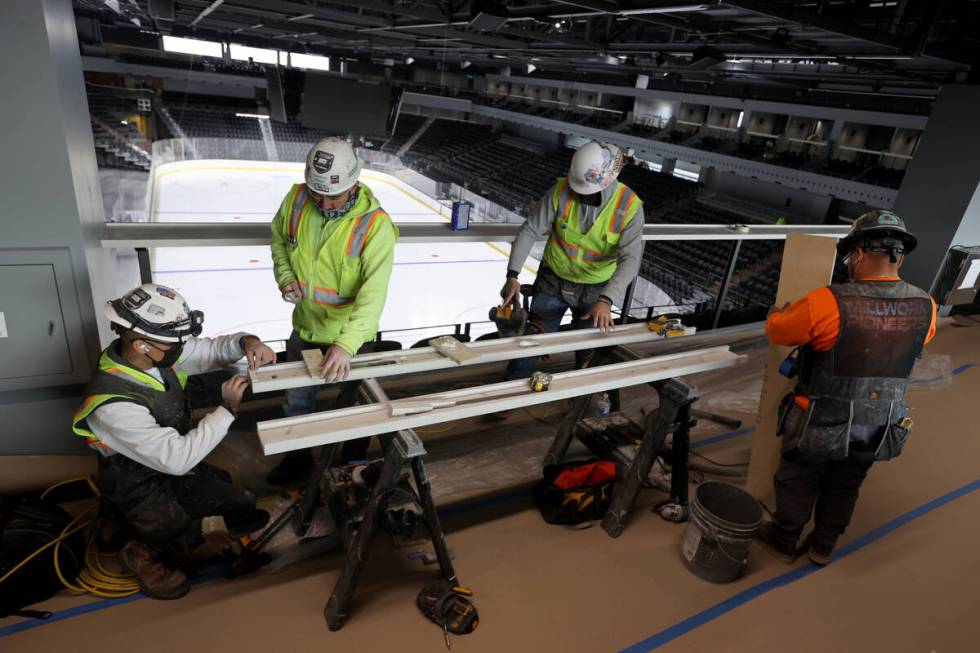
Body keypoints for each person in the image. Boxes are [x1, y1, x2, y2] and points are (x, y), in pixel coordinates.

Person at [72, 283, 278, 599]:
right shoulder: (114, 404)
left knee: (232, 496)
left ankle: (116, 520)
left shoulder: (154, 356)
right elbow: (177, 460)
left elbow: (211, 350)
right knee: (184, 521)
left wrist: (248, 342)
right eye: (175, 342)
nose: (183, 347)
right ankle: (142, 549)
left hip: (160, 465)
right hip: (139, 483)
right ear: (141, 344)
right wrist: (227, 410)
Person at [758, 210, 937, 565]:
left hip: (820, 415)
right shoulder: (926, 305)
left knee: (797, 476)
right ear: (898, 256)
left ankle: (785, 538)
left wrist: (779, 312)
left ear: (856, 254)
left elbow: (778, 332)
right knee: (847, 481)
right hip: (880, 419)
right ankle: (823, 545)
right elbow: (917, 344)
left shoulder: (828, 301)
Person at [267, 137, 399, 484]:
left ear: (354, 182)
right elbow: (279, 240)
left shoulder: (376, 226)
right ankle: (298, 461)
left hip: (351, 338)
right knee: (296, 402)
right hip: (307, 329)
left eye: (333, 196)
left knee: (356, 406)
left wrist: (345, 345)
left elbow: (374, 295)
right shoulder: (297, 199)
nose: (323, 204)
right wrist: (285, 277)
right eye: (316, 194)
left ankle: (351, 463)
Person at [500, 140, 644, 379]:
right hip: (552, 283)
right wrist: (512, 276)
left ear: (608, 178)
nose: (577, 192)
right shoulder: (560, 190)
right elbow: (530, 230)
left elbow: (631, 259)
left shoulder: (629, 206)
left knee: (586, 351)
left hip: (596, 293)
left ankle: (579, 400)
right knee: (530, 345)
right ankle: (505, 399)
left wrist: (607, 299)